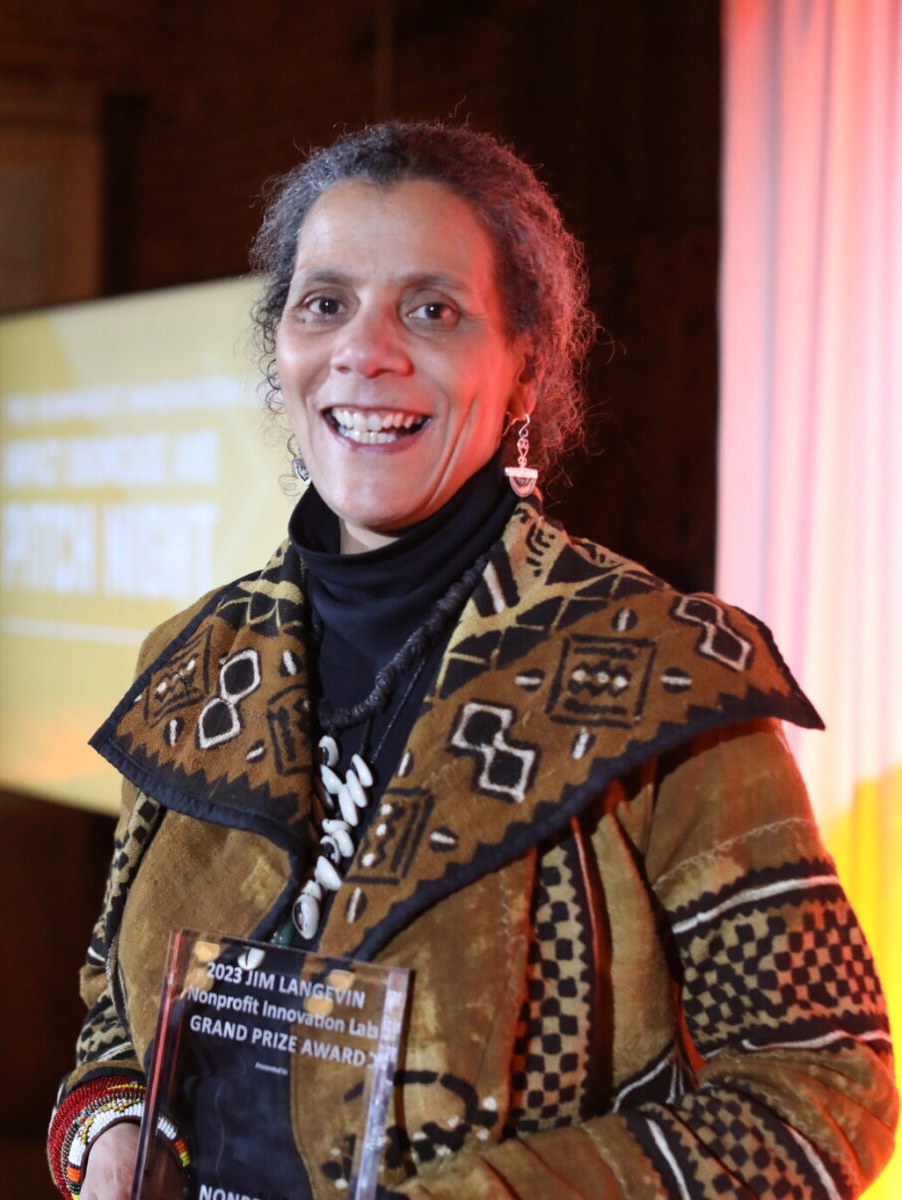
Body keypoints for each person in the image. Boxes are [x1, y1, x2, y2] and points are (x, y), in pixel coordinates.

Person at [47, 122, 897, 1199]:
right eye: (325, 304)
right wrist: (108, 1133)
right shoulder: (191, 663)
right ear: (282, 353)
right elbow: (114, 1023)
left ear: (524, 364)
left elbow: (821, 1090)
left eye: (432, 309)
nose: (367, 349)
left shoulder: (672, 679)